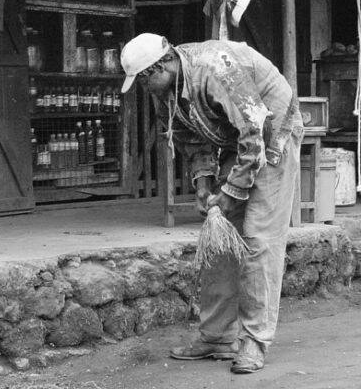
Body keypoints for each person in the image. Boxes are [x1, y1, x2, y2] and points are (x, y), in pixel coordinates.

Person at [120, 33, 303, 374]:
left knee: (259, 239)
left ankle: (255, 340)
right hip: (238, 140)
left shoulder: (216, 67)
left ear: (161, 66)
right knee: (219, 240)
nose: (144, 88)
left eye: (144, 80)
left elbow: (255, 129)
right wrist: (204, 185)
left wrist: (232, 191)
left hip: (271, 134)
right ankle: (217, 337)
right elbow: (190, 141)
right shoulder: (166, 94)